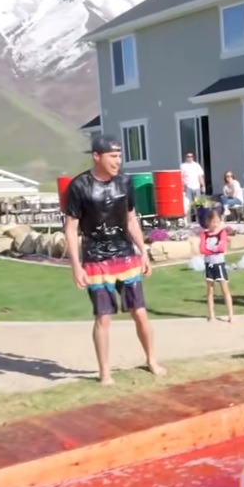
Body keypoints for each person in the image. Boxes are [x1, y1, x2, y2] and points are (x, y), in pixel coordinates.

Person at [62, 133, 167, 386]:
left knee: (140, 312)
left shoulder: (125, 182)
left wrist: (144, 252)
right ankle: (105, 372)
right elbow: (70, 228)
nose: (117, 160)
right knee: (103, 317)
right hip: (96, 258)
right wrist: (76, 266)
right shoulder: (79, 186)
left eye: (119, 155)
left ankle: (151, 360)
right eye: (112, 155)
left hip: (125, 254)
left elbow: (131, 219)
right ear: (97, 156)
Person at [198, 209, 234, 323]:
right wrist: (213, 249)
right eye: (213, 221)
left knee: (225, 289)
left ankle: (231, 315)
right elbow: (202, 249)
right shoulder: (204, 234)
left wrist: (211, 249)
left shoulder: (222, 233)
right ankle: (211, 315)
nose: (215, 224)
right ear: (208, 221)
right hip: (209, 264)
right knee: (210, 290)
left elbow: (222, 248)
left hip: (219, 264)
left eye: (217, 222)